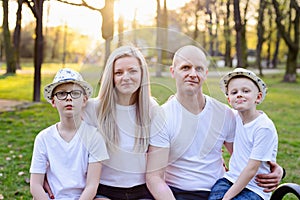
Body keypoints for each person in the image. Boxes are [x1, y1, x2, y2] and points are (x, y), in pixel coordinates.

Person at [146, 45, 283, 200]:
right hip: (177, 193)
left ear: (205, 73)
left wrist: (277, 170)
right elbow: (154, 177)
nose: (192, 74)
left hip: (217, 190)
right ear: (173, 72)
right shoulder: (163, 117)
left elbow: (244, 156)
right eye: (185, 67)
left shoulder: (225, 114)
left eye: (198, 68)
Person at [82, 45, 158, 199]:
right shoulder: (91, 108)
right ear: (111, 77)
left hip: (142, 191)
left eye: (133, 71)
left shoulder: (152, 109)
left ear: (142, 74)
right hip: (103, 190)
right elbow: (62, 140)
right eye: (118, 72)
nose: (126, 77)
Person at [30, 68, 109, 200]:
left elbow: (92, 185)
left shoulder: (94, 137)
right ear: (53, 101)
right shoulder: (43, 138)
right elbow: (35, 185)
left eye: (75, 93)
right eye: (61, 94)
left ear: (84, 100)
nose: (68, 98)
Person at [208, 68, 278, 200]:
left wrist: (227, 198)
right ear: (229, 100)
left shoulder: (263, 127)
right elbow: (210, 106)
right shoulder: (235, 117)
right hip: (231, 179)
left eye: (245, 91)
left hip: (255, 187)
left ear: (258, 97)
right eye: (234, 92)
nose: (239, 95)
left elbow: (252, 169)